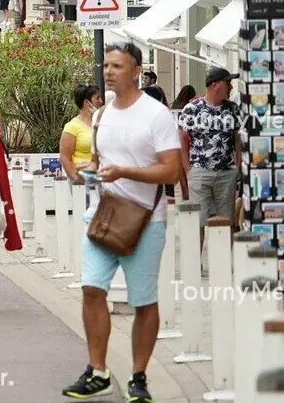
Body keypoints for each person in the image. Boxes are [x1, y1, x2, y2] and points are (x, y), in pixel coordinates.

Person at [61, 43, 181, 403]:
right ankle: (97, 370)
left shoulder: (156, 115)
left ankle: (139, 377)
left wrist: (125, 171)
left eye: (117, 66)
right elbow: (101, 160)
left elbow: (172, 169)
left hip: (145, 218)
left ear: (136, 70)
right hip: (103, 214)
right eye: (106, 65)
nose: (109, 71)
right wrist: (91, 170)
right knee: (91, 289)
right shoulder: (100, 115)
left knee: (144, 301)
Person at [178, 67, 241, 247]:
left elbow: (237, 137)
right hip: (199, 170)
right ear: (215, 85)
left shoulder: (233, 109)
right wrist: (187, 167)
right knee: (197, 219)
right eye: (227, 83)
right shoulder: (192, 109)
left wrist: (236, 165)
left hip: (226, 171)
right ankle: (194, 263)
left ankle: (222, 262)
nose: (230, 87)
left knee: (225, 220)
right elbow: (182, 137)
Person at [59, 84, 102, 183]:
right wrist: (77, 181)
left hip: (100, 178)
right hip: (82, 180)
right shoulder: (72, 126)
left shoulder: (100, 124)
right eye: (97, 98)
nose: (101, 101)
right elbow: (65, 158)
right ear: (87, 102)